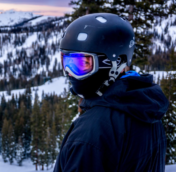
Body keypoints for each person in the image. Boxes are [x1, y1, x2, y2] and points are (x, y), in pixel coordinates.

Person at [54, 13, 169, 172]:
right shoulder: (147, 108)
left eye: (83, 64)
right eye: (66, 62)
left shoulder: (90, 135)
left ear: (116, 63)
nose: (70, 73)